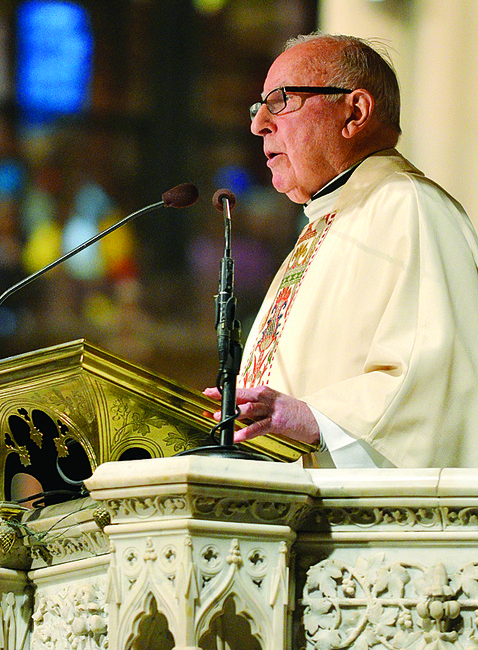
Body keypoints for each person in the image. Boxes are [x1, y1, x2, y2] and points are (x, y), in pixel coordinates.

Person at [204, 32, 478, 468]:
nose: (259, 125)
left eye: (280, 101)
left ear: (354, 112)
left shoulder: (409, 206)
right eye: (259, 107)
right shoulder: (328, 224)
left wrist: (313, 417)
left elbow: (441, 380)